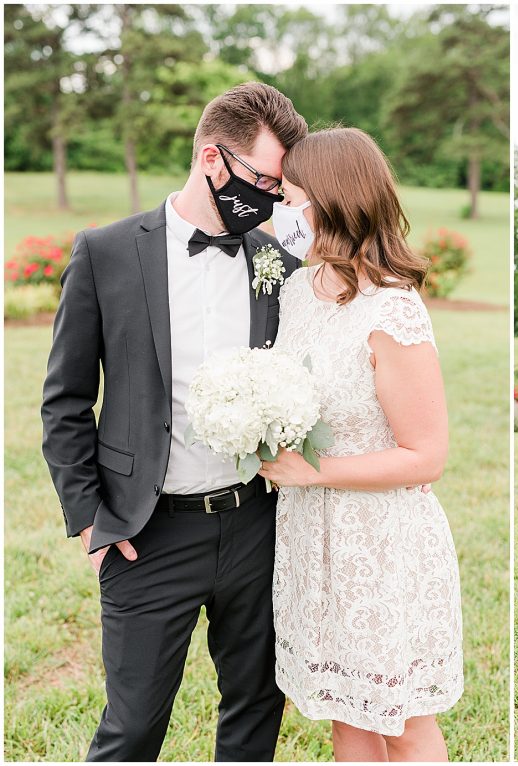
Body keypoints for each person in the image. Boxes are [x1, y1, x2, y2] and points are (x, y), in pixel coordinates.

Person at [40, 82, 308, 761]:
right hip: (146, 532)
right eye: (264, 182)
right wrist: (90, 517)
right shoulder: (105, 253)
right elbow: (65, 400)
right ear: (212, 159)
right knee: (131, 730)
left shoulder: (277, 265)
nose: (273, 201)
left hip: (255, 525)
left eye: (280, 188)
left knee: (255, 712)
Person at [257, 127, 463, 762]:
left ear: (332, 201)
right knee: (343, 718)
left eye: (290, 196)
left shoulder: (391, 311)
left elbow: (426, 455)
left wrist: (315, 472)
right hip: (307, 540)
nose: (280, 211)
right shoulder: (297, 289)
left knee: (400, 722)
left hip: (379, 542)